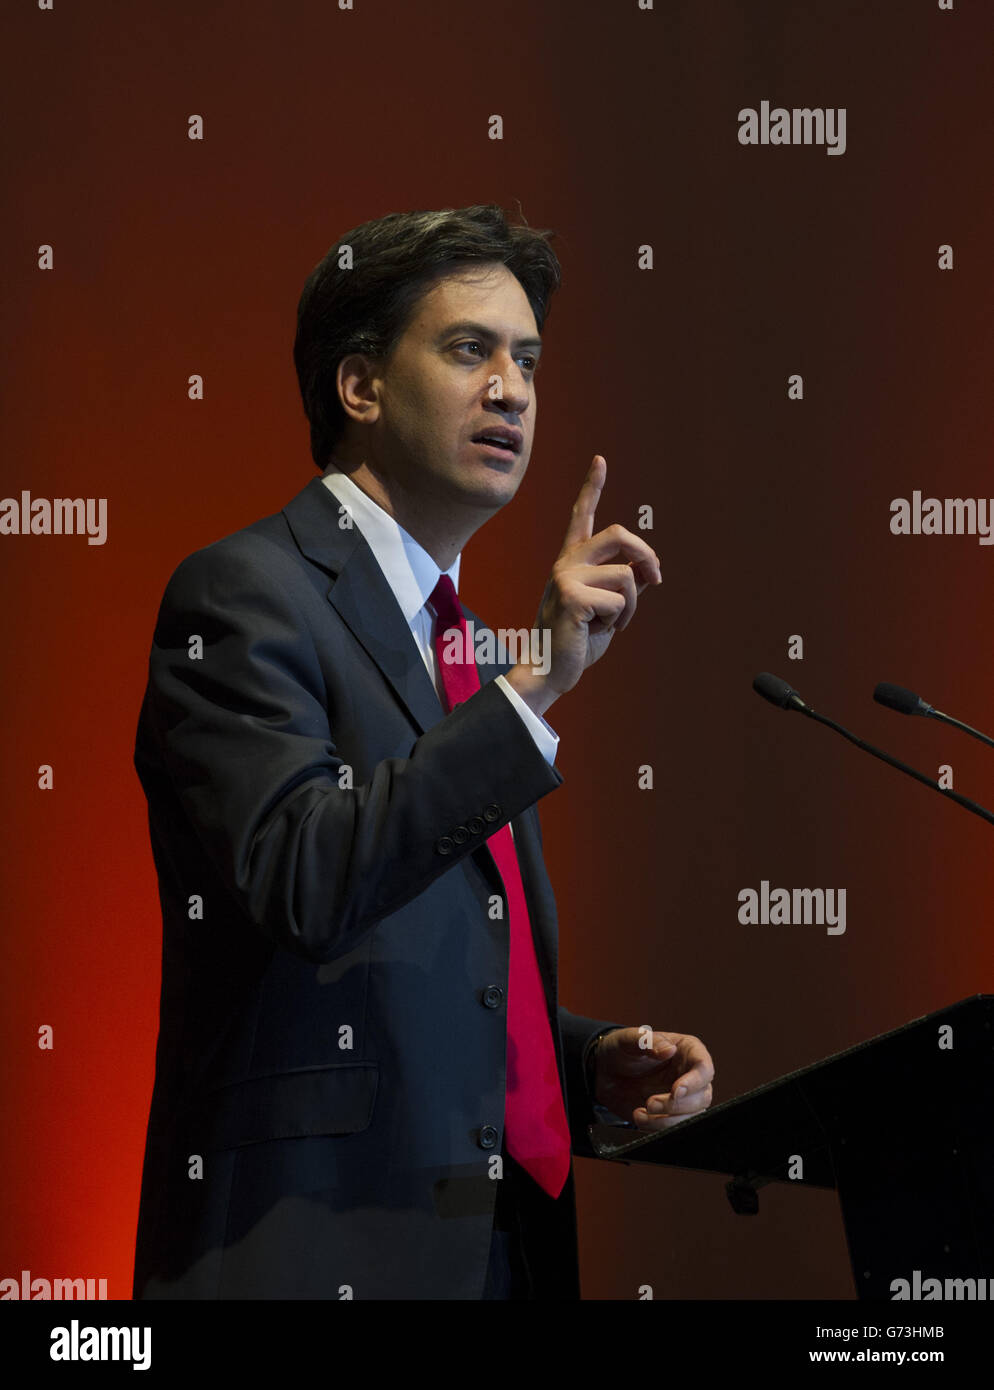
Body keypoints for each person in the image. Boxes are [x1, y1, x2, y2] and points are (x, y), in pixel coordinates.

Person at [131, 203, 714, 1301]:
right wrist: (534, 684)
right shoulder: (244, 595)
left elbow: (433, 968)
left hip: (497, 1250)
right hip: (314, 1252)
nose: (514, 390)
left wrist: (584, 1063)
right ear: (360, 387)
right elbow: (306, 880)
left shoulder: (463, 645)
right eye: (469, 350)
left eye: (529, 361)